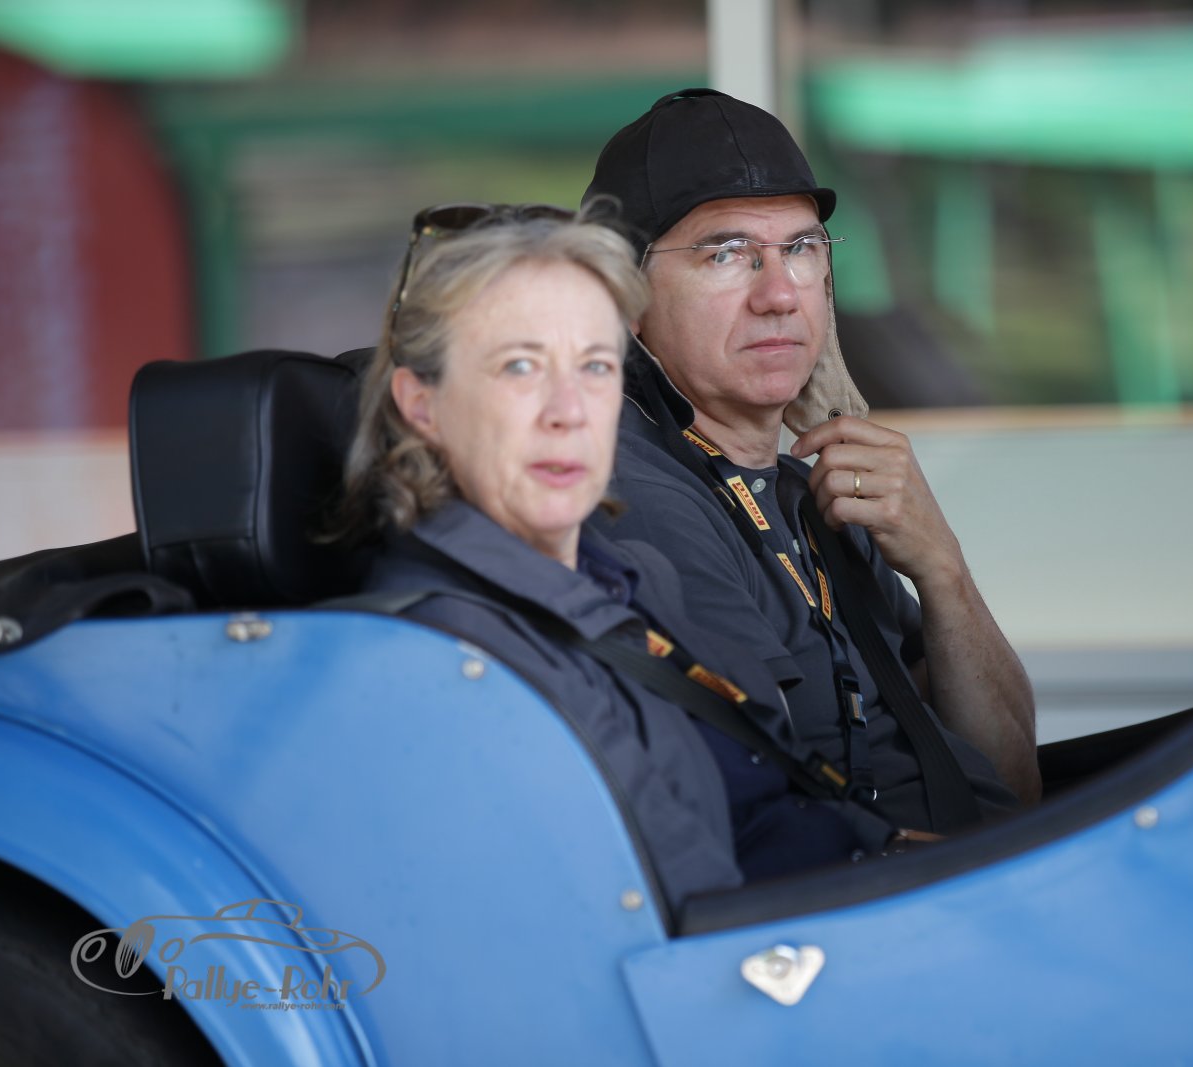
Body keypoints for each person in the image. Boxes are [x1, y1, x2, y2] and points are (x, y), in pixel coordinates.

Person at [331, 203, 892, 909]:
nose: (569, 410)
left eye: (595, 366)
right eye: (520, 366)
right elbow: (678, 923)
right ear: (423, 405)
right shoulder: (450, 657)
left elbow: (765, 811)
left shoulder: (625, 578)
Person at [582, 89, 1041, 837]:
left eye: (800, 249)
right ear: (623, 294)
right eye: (727, 254)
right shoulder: (639, 493)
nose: (779, 295)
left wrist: (942, 568)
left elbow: (1015, 780)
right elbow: (767, 821)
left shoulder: (821, 486)